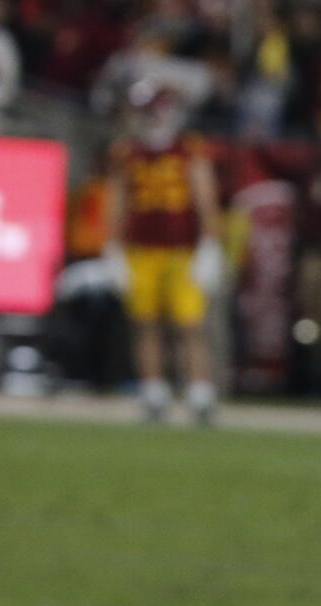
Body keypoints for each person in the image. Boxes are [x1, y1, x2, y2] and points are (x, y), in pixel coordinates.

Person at [104, 81, 225, 425]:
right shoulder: (127, 152)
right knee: (145, 324)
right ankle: (153, 390)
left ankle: (200, 392)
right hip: (143, 248)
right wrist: (112, 246)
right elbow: (118, 200)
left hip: (181, 249)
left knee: (190, 324)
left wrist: (210, 242)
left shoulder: (189, 149)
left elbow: (204, 197)